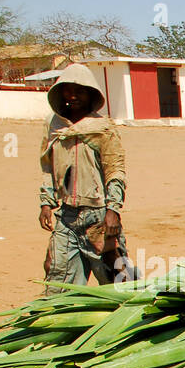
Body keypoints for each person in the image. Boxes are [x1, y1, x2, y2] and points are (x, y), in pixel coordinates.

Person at [39, 64, 135, 286]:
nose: (72, 95)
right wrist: (46, 202)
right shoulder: (54, 126)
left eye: (79, 90)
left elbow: (115, 170)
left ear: (91, 93)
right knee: (56, 275)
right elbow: (47, 166)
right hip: (67, 216)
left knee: (117, 279)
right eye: (67, 90)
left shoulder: (103, 128)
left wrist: (113, 210)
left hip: (98, 216)